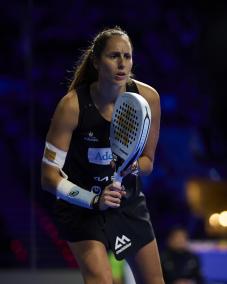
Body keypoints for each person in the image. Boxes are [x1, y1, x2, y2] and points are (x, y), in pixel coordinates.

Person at [41, 26, 164, 284]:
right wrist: (94, 200)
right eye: (113, 56)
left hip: (124, 201)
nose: (122, 64)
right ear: (96, 62)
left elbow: (148, 163)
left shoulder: (147, 98)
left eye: (127, 56)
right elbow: (48, 178)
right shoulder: (72, 105)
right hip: (80, 206)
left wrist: (128, 169)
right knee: (100, 279)